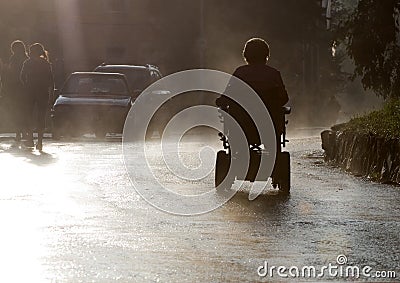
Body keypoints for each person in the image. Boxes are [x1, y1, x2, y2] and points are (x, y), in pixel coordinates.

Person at [216, 38, 289, 148]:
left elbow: (227, 96)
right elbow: (284, 98)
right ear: (266, 55)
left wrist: (220, 101)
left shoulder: (240, 73)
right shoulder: (273, 74)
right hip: (268, 127)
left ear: (246, 55)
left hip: (242, 126)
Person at [20, 43, 54, 151]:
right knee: (41, 117)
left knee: (28, 115)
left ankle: (30, 138)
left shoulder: (27, 63)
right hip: (43, 92)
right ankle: (40, 142)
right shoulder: (46, 64)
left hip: (30, 92)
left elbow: (21, 76)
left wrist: (26, 85)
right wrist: (51, 93)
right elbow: (51, 80)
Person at [4, 40, 29, 142]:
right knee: (25, 111)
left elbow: (11, 73)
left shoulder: (14, 58)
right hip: (26, 88)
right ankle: (25, 132)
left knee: (17, 111)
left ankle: (19, 133)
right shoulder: (26, 58)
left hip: (16, 88)